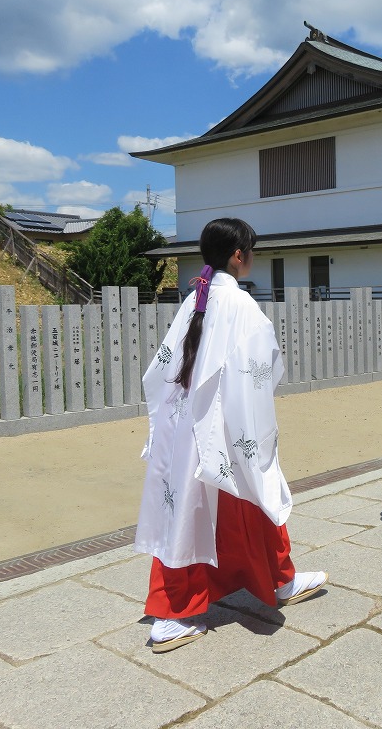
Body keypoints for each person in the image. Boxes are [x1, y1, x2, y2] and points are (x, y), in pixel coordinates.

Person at [134, 217, 326, 653]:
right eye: (251, 251)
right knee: (250, 490)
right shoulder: (241, 307)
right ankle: (172, 615)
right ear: (239, 255)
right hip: (225, 425)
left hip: (188, 426)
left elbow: (163, 369)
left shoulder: (194, 301)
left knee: (226, 503)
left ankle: (280, 579)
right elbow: (260, 372)